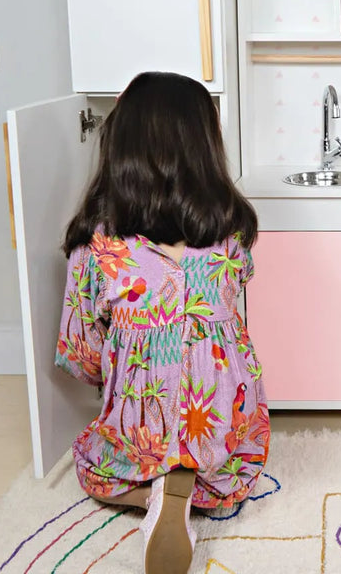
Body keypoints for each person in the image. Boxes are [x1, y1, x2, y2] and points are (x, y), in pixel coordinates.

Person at [56, 71, 269, 573]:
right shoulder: (232, 234)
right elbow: (236, 321)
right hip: (222, 423)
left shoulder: (97, 248)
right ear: (205, 151)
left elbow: (81, 353)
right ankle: (193, 478)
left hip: (140, 425)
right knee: (241, 464)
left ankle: (153, 481)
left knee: (93, 467)